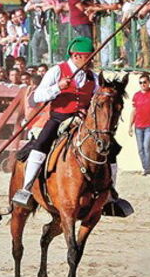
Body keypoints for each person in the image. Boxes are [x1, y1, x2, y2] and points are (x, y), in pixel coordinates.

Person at [11, 36, 133, 217]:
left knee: (112, 149)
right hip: (59, 119)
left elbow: (96, 101)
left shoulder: (93, 77)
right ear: (76, 56)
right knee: (41, 145)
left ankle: (109, 196)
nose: (91, 61)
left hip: (84, 122)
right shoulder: (56, 71)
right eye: (88, 57)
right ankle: (26, 189)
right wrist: (58, 87)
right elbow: (36, 97)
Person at [130, 72, 150, 175]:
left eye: (144, 82)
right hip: (138, 126)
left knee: (146, 146)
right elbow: (134, 111)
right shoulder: (136, 95)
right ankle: (145, 168)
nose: (143, 84)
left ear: (148, 82)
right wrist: (130, 126)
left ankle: (149, 168)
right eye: (140, 83)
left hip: (149, 125)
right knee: (140, 149)